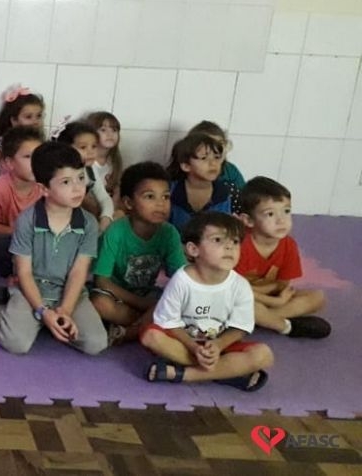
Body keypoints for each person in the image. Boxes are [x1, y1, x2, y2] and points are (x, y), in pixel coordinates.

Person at [0, 141, 108, 356]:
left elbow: (79, 272)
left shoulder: (89, 223)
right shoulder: (27, 221)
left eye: (80, 177)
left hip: (69, 293)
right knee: (17, 342)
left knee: (96, 343)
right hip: (31, 289)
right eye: (66, 182)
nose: (78, 188)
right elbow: (24, 273)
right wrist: (43, 311)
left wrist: (65, 311)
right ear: (44, 189)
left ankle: (46, 322)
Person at [141, 212, 273, 392]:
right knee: (151, 336)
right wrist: (194, 347)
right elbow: (169, 323)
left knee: (264, 355)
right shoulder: (182, 280)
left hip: (219, 346)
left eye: (235, 242)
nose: (229, 247)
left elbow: (240, 327)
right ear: (193, 249)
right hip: (184, 344)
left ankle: (182, 374)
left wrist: (218, 345)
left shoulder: (240, 285)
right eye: (218, 240)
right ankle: (227, 372)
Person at [90, 162, 188, 345]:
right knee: (99, 303)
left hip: (150, 296)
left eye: (166, 197)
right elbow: (102, 280)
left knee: (181, 300)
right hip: (119, 296)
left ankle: (128, 332)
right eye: (150, 196)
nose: (160, 204)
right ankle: (146, 326)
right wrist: (142, 304)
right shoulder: (116, 231)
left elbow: (182, 276)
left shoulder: (169, 233)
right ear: (128, 203)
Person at [235, 177, 330, 338]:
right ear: (248, 220)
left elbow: (283, 284)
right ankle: (285, 326)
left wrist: (271, 297)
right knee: (247, 306)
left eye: (286, 211)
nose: (281, 220)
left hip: (266, 296)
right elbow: (233, 289)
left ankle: (263, 319)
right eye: (270, 214)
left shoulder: (289, 245)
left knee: (318, 297)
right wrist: (274, 301)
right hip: (242, 298)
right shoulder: (240, 245)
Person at [0, 126, 44, 278]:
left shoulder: (43, 188)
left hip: (31, 237)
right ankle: (15, 268)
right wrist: (18, 232)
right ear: (9, 163)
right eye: (28, 157)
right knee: (8, 243)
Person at [166, 133, 239, 232]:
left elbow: (223, 230)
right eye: (204, 158)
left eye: (217, 157)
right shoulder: (170, 190)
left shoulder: (223, 193)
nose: (213, 163)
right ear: (186, 166)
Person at [0, 85, 45, 191]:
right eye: (28, 117)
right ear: (14, 121)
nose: (35, 121)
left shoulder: (40, 143)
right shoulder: (3, 142)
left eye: (39, 116)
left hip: (30, 194)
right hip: (5, 193)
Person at [55, 121, 114, 232]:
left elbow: (104, 198)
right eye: (83, 147)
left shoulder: (90, 169)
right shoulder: (57, 172)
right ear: (66, 148)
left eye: (94, 146)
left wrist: (106, 217)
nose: (90, 152)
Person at [84, 111, 123, 202]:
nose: (110, 134)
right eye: (103, 130)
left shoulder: (113, 160)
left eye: (114, 130)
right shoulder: (86, 161)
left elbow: (116, 190)